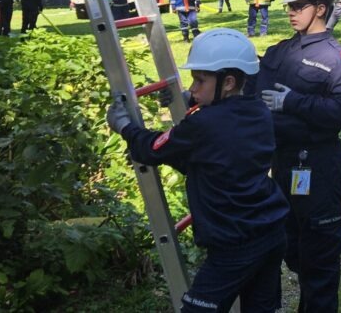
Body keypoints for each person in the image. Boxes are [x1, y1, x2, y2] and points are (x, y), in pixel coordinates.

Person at [106, 28, 289, 312]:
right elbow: (210, 156)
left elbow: (152, 149)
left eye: (200, 81)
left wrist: (124, 126)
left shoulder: (204, 125)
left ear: (228, 82)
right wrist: (190, 99)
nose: (192, 88)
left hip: (235, 244)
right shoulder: (258, 111)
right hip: (271, 231)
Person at [254, 0, 341, 313]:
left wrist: (293, 102)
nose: (290, 11)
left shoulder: (336, 58)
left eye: (298, 5)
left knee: (320, 255)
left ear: (320, 7)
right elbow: (248, 82)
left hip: (319, 164)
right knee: (291, 244)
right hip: (282, 163)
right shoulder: (279, 51)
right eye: (289, 5)